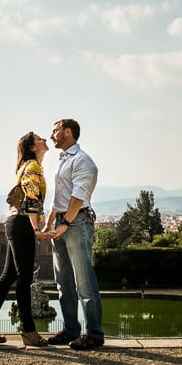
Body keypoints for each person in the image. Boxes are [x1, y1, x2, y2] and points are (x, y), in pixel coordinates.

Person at [0, 132, 51, 346]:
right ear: (31, 147)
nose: (44, 140)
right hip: (21, 223)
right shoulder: (33, 167)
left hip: (14, 222)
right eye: (39, 139)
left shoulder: (27, 166)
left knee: (9, 275)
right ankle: (28, 330)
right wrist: (36, 228)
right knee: (24, 277)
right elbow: (30, 197)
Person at [46, 118, 104, 350]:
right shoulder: (64, 160)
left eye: (55, 131)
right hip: (64, 222)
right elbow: (59, 196)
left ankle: (94, 334)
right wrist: (50, 222)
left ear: (68, 132)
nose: (52, 135)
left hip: (76, 223)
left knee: (84, 282)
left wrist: (65, 224)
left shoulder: (82, 161)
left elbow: (78, 196)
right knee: (64, 282)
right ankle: (71, 329)